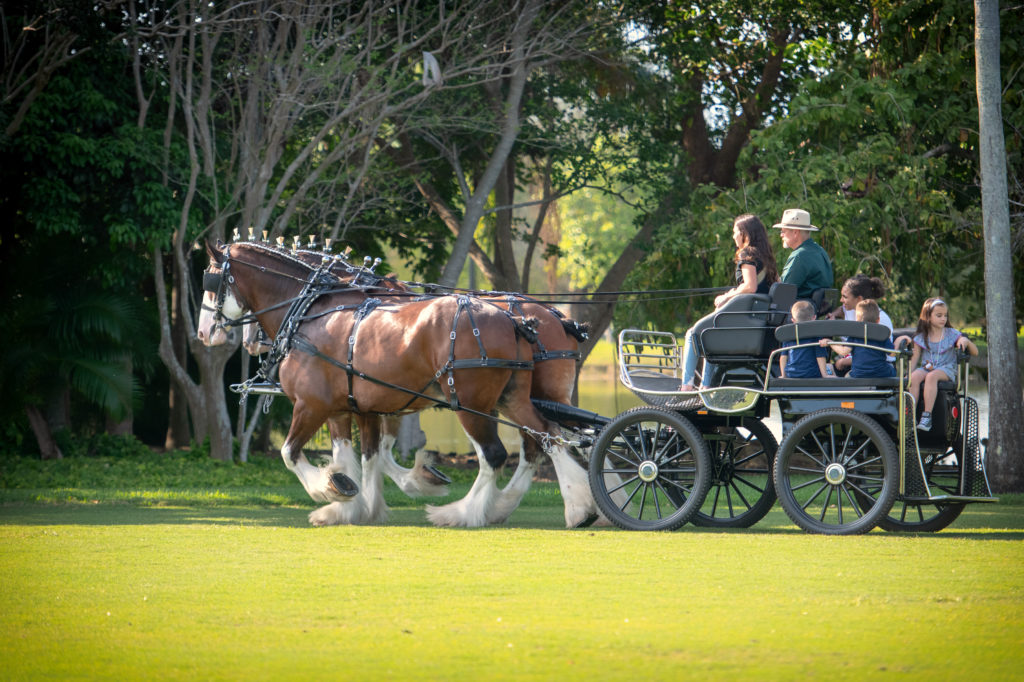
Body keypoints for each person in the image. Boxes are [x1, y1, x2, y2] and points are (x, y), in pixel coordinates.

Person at [679, 214, 780, 391]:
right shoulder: (767, 257)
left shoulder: (747, 253)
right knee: (712, 337)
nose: (733, 236)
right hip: (757, 320)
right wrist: (732, 292)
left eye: (735, 232)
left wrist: (726, 297)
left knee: (693, 334)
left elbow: (750, 286)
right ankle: (705, 386)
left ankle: (686, 386)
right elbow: (774, 285)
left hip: (744, 319)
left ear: (745, 234)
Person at [900, 297, 978, 431]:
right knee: (914, 378)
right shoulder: (922, 336)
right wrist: (907, 374)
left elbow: (975, 352)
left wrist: (966, 341)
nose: (943, 319)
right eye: (939, 315)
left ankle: (927, 417)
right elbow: (915, 357)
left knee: (931, 377)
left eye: (945, 316)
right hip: (927, 367)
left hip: (946, 368)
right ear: (928, 317)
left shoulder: (952, 334)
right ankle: (910, 416)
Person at [827, 274, 894, 374]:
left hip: (873, 368)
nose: (841, 300)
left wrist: (845, 361)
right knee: (822, 369)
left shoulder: (879, 320)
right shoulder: (850, 310)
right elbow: (842, 309)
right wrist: (834, 314)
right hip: (852, 363)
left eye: (845, 297)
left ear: (859, 299)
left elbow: (876, 356)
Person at [822, 299, 895, 378]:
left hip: (859, 374)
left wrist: (830, 342)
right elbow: (892, 353)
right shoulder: (881, 334)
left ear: (857, 320)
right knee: (891, 369)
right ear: (878, 320)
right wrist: (898, 342)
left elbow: (843, 351)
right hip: (880, 373)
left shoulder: (855, 334)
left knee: (847, 376)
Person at [772, 208, 833, 301]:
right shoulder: (820, 251)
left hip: (799, 312)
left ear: (796, 232)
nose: (781, 235)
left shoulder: (800, 255)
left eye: (783, 231)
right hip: (815, 311)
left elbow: (783, 291)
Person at [780, 300, 828, 378]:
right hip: (812, 374)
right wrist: (825, 375)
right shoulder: (815, 336)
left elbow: (783, 357)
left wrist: (783, 375)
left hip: (792, 374)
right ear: (814, 318)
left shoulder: (789, 336)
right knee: (831, 367)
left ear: (793, 320)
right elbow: (820, 356)